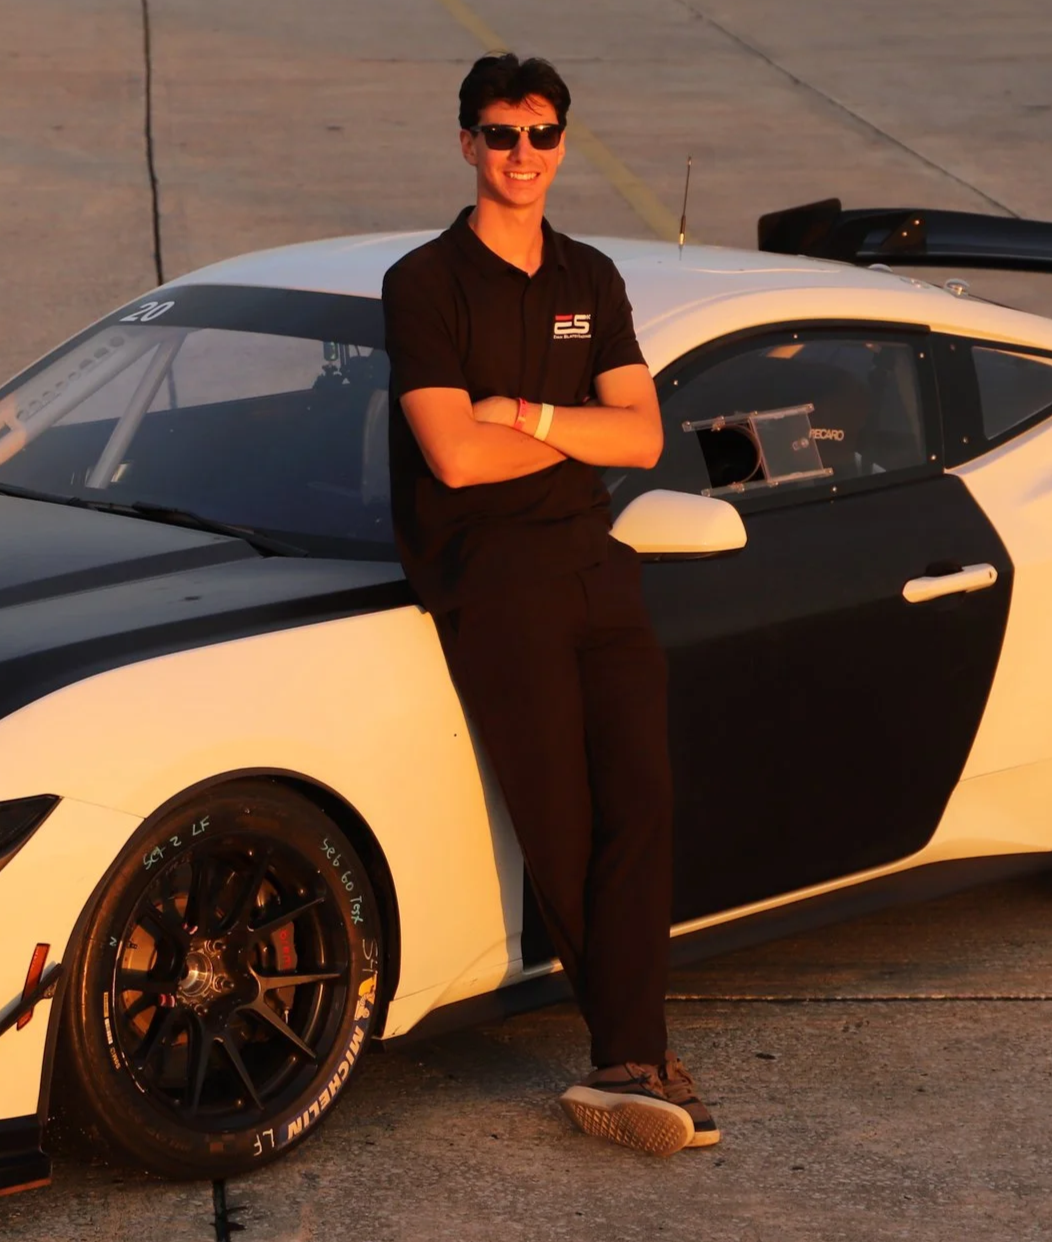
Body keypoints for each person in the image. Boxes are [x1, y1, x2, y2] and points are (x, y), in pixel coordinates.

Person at [382, 52, 715, 1156]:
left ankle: (630, 1057)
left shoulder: (590, 278)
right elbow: (451, 460)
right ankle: (633, 1059)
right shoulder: (425, 283)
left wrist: (522, 413)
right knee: (561, 821)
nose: (522, 154)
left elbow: (644, 435)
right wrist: (565, 431)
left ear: (563, 143)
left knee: (643, 802)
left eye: (541, 134)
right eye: (500, 133)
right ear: (466, 143)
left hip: (592, 561)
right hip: (492, 577)